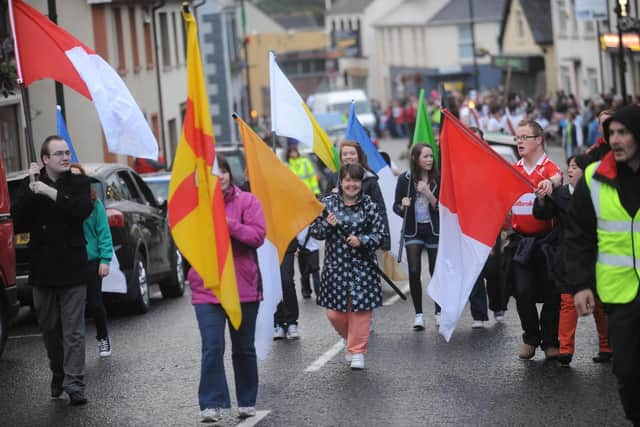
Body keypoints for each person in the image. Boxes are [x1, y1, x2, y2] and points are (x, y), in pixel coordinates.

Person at [567, 105, 640, 426]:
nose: (616, 140)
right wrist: (581, 284)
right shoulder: (594, 178)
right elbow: (578, 236)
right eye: (611, 133)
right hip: (620, 294)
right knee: (627, 372)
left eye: (623, 132)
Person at [11, 135, 93, 405]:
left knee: (74, 330)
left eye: (67, 152)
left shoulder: (79, 182)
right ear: (45, 159)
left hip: (72, 267)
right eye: (58, 153)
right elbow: (18, 218)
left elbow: (80, 210)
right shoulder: (31, 184)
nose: (65, 157)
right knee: (49, 328)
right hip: (43, 269)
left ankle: (74, 382)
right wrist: (31, 186)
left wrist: (49, 192)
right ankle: (58, 372)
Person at [188, 155, 266, 422]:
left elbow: (257, 236)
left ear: (229, 174)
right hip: (207, 287)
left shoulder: (248, 201)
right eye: (213, 172)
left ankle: (246, 400)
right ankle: (211, 403)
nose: (219, 176)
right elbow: (184, 240)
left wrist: (228, 224)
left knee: (243, 347)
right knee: (212, 345)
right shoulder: (196, 206)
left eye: (222, 171)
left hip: (243, 286)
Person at [533, 155, 611, 367]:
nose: (570, 170)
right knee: (567, 301)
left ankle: (606, 347)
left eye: (575, 167)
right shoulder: (559, 194)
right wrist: (541, 198)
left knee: (599, 303)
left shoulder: (599, 193)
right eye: (569, 167)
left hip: (596, 253)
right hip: (567, 255)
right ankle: (565, 350)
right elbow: (542, 213)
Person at [311, 163, 388, 370]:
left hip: (363, 268)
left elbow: (380, 235)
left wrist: (362, 240)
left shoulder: (369, 205)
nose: (351, 185)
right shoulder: (328, 204)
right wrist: (327, 224)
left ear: (361, 183)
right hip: (336, 268)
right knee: (334, 314)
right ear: (341, 182)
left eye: (355, 180)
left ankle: (357, 351)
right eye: (347, 180)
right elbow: (315, 231)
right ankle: (351, 340)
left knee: (360, 311)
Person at [510, 119, 563, 360]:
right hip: (521, 242)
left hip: (547, 242)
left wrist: (549, 184)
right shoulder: (513, 169)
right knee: (522, 291)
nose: (519, 141)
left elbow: (558, 178)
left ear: (538, 140)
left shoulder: (549, 167)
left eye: (524, 137)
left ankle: (550, 341)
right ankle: (530, 338)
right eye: (517, 138)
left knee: (552, 293)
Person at [393, 143, 440, 330]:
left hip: (434, 230)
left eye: (431, 156)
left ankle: (439, 311)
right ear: (415, 159)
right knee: (414, 270)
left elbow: (442, 208)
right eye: (425, 156)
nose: (429, 160)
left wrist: (428, 194)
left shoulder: (438, 178)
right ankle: (419, 314)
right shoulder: (405, 179)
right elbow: (396, 206)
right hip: (413, 229)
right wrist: (402, 206)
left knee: (435, 272)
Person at [70, 163, 114, 358]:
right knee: (72, 308)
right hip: (71, 262)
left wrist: (105, 259)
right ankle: (74, 347)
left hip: (92, 260)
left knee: (95, 303)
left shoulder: (94, 205)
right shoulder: (64, 202)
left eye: (79, 177)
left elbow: (103, 232)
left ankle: (103, 338)